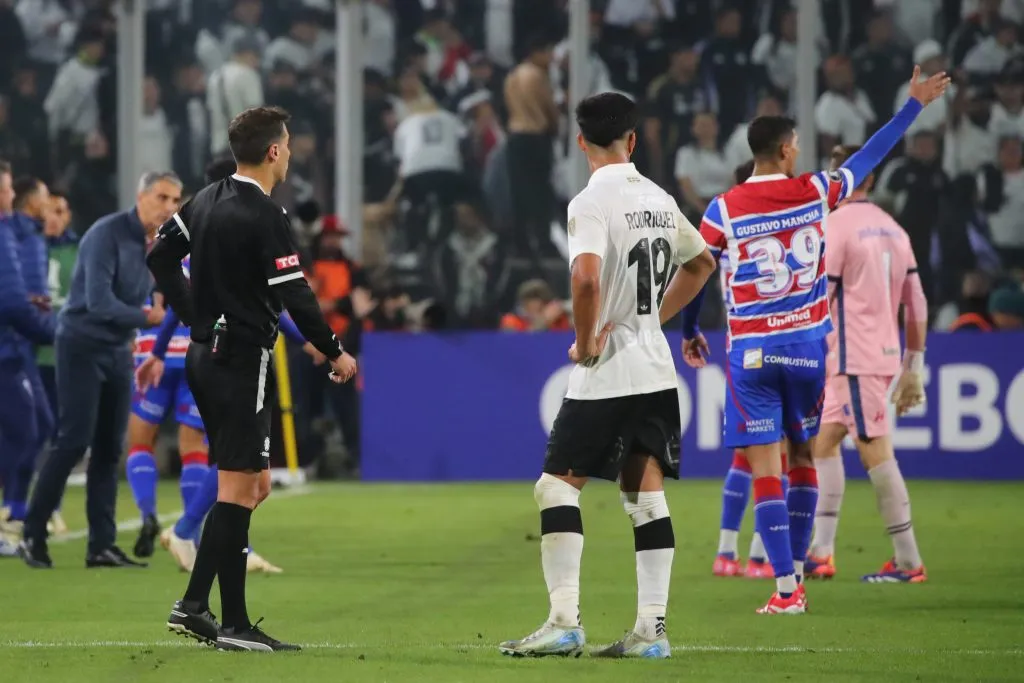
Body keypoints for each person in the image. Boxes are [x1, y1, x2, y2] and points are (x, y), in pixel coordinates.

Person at [679, 66, 949, 614]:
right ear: (782, 150)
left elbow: (699, 266)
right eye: (796, 146)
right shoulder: (817, 192)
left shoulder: (723, 208)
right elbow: (870, 156)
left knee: (765, 466)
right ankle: (803, 565)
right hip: (808, 351)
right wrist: (913, 105)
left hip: (751, 352)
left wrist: (687, 330)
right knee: (804, 453)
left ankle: (786, 587)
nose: (799, 153)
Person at [498, 92, 716, 659]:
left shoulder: (589, 202)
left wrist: (590, 334)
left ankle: (564, 620)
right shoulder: (660, 199)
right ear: (634, 140)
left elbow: (587, 279)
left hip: (610, 370)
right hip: (656, 367)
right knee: (645, 498)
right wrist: (651, 320)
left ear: (580, 143)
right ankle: (651, 632)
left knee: (554, 487)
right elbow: (703, 265)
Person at [144, 106, 356, 652]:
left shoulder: (206, 199)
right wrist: (333, 350)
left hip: (206, 354)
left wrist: (194, 315)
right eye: (286, 144)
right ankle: (202, 609)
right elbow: (295, 293)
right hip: (241, 359)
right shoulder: (265, 215)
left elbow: (162, 255)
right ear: (275, 151)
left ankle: (227, 618)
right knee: (240, 488)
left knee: (252, 485)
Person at [156, 156, 314, 575]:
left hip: (203, 354)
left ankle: (204, 552)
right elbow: (271, 301)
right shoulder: (230, 228)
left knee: (234, 466)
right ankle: (193, 534)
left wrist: (171, 340)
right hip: (223, 358)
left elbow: (174, 283)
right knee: (233, 465)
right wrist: (315, 341)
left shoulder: (202, 229)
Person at [19, 171, 180, 569]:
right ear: (140, 196)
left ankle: (101, 546)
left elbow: (160, 289)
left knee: (109, 448)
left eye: (175, 201)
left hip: (117, 348)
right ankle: (32, 534)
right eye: (162, 197)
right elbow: (97, 302)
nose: (169, 207)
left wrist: (163, 303)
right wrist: (150, 316)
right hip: (81, 344)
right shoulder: (105, 235)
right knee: (73, 441)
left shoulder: (158, 244)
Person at [806, 144, 928, 584]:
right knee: (823, 443)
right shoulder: (894, 229)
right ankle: (820, 552)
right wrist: (913, 362)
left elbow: (824, 299)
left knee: (875, 449)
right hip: (869, 356)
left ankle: (908, 560)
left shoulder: (835, 226)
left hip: (853, 357)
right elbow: (916, 303)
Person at [701, 161, 788, 581]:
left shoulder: (730, 235)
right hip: (778, 343)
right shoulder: (771, 232)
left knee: (746, 454)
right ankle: (759, 558)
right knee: (779, 455)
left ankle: (726, 551)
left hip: (739, 348)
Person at [0, 168, 57, 559]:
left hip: (16, 342)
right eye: (5, 188)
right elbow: (12, 299)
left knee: (32, 427)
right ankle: (17, 510)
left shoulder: (18, 232)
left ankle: (16, 510)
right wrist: (50, 331)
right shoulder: (12, 231)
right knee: (26, 427)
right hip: (13, 344)